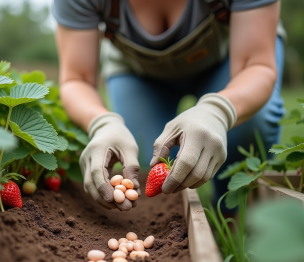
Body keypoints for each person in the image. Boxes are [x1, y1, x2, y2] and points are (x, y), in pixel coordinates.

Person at [52, 0, 286, 211]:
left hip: (230, 60)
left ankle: (232, 212)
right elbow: (77, 79)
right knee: (144, 158)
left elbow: (256, 65)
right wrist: (102, 123)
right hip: (139, 73)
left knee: (253, 123)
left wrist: (218, 110)